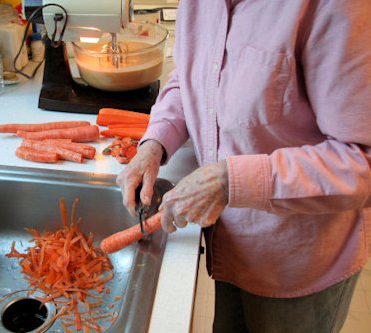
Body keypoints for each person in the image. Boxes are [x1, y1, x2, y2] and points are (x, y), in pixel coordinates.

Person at [116, 0, 371, 332]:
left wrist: (228, 181)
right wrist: (154, 142)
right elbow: (193, 77)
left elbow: (361, 160)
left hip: (297, 268)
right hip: (232, 249)